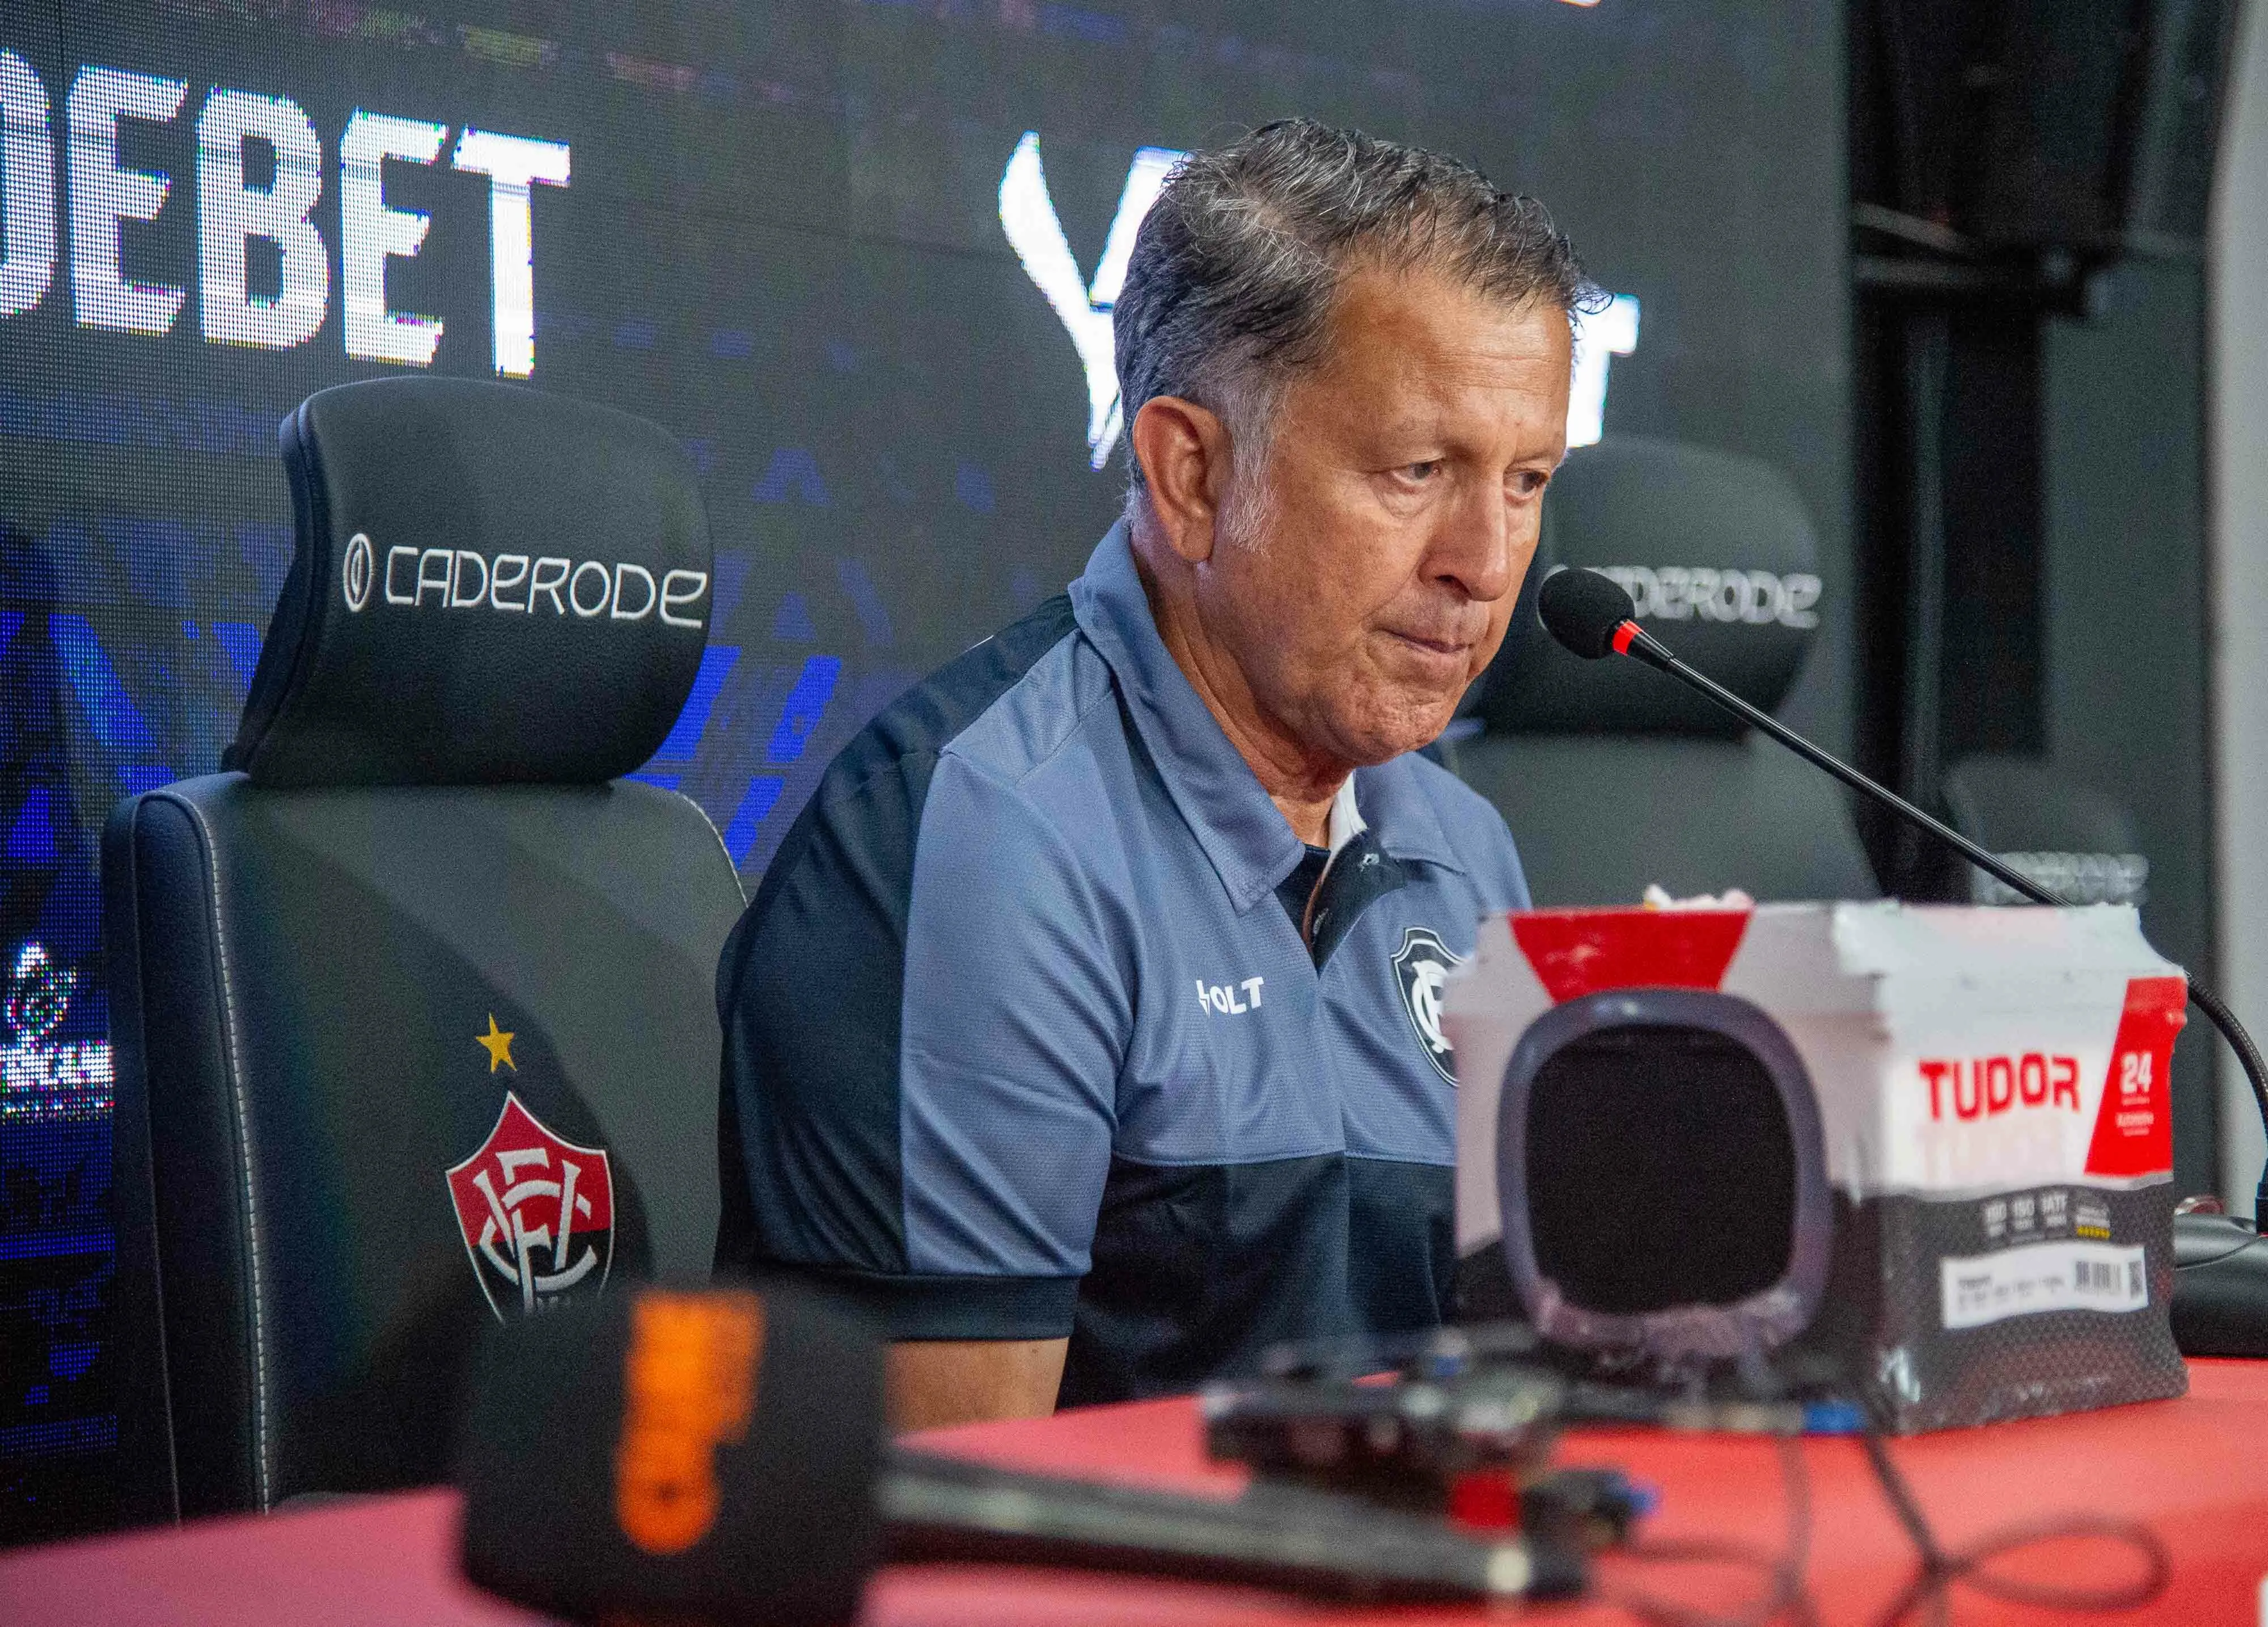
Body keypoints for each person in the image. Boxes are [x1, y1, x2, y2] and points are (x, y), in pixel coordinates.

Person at [715, 118, 1587, 1429]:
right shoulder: (980, 844)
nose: (1486, 559)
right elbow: (961, 1501)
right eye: (1416, 471)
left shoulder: (1463, 849)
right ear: (1191, 475)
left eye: (1524, 482)